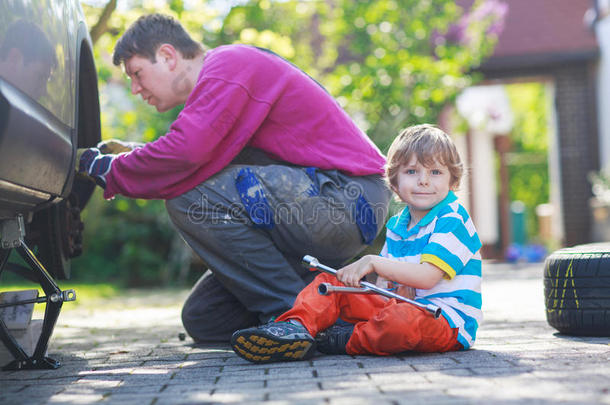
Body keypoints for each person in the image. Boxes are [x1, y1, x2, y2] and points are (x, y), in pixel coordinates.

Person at [77, 14, 391, 342]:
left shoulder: (228, 66)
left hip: (347, 198)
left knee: (188, 198)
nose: (135, 88)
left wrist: (110, 169)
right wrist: (130, 156)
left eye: (137, 73)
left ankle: (294, 318)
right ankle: (343, 319)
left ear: (168, 56)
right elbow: (198, 157)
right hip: (322, 206)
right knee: (204, 317)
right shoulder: (221, 87)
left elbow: (186, 152)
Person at [230, 124, 482, 363]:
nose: (424, 180)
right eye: (412, 171)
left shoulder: (452, 218)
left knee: (399, 323)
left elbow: (427, 277)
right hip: (401, 307)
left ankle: (346, 339)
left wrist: (373, 262)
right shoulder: (398, 224)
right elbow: (389, 283)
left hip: (447, 322)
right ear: (394, 182)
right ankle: (295, 329)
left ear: (453, 181)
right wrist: (382, 283)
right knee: (330, 283)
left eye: (435, 172)